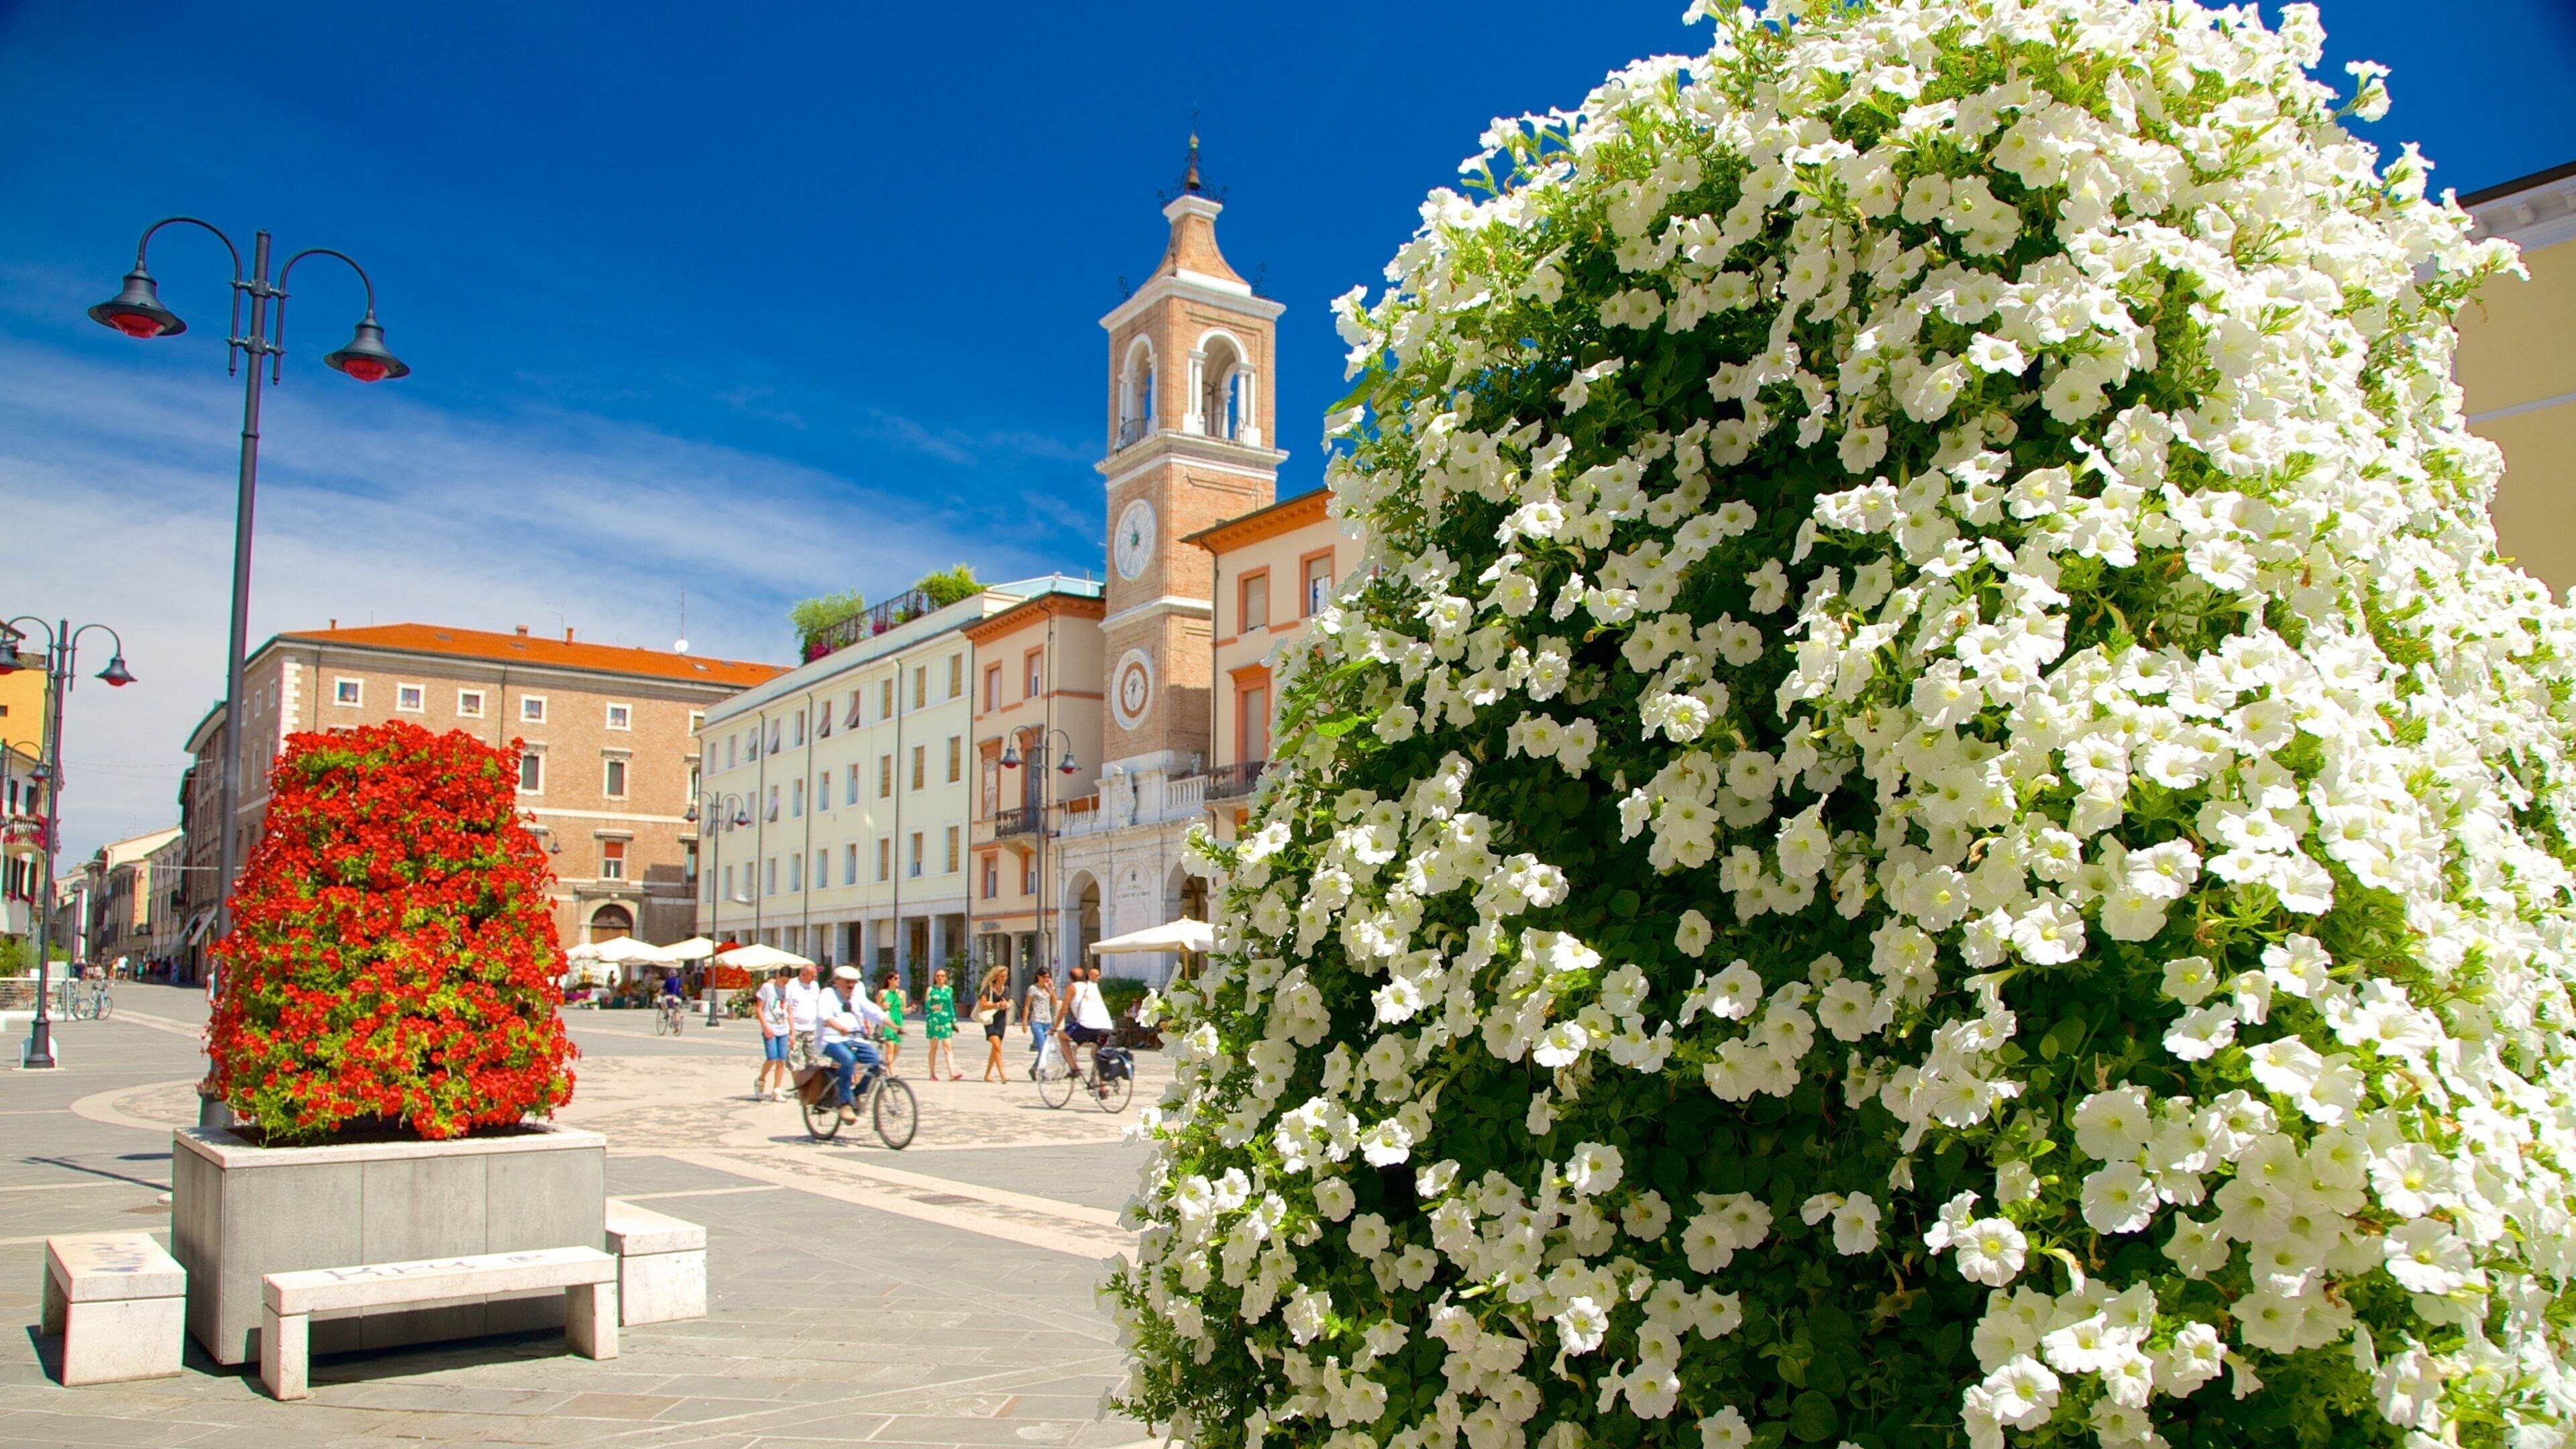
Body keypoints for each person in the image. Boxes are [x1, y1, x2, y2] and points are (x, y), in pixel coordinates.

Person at [818, 965, 891, 1122]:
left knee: (877, 1062)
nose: (851, 986)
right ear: (837, 982)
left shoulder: (856, 996)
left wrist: (895, 1026)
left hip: (854, 1039)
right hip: (831, 1039)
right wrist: (839, 1028)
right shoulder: (827, 994)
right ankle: (845, 1103)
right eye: (847, 982)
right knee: (848, 1060)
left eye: (854, 982)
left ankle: (857, 1093)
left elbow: (873, 1011)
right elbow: (824, 1016)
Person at [1061, 964, 1115, 1075]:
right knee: (1096, 1055)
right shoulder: (1094, 987)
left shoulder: (1072, 987)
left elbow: (1063, 1010)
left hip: (1088, 1026)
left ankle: (1074, 1068)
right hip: (1107, 1026)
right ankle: (1102, 1087)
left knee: (1061, 1036)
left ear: (1071, 979)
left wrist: (1055, 1027)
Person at [753, 967, 793, 1102]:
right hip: (770, 1026)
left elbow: (790, 1011)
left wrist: (792, 1032)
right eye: (782, 981)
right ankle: (761, 1081)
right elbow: (758, 1009)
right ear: (778, 976)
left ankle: (777, 1089)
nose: (784, 984)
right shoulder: (767, 988)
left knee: (782, 1060)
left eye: (786, 982)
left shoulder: (789, 991)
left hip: (783, 1028)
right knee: (772, 1057)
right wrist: (765, 1026)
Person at [782, 960, 826, 1081]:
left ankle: (808, 1085)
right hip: (796, 1028)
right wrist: (791, 1031)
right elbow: (788, 1008)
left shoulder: (815, 986)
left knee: (813, 1059)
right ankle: (797, 1086)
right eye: (812, 976)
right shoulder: (792, 985)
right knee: (793, 1060)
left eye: (815, 976)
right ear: (803, 974)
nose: (814, 978)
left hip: (812, 1028)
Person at [921, 968, 959, 1081]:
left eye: (942, 976)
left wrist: (954, 1020)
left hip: (946, 1020)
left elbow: (951, 1006)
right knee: (933, 1047)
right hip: (934, 1020)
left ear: (946, 977)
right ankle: (932, 1073)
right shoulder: (931, 990)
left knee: (948, 1046)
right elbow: (926, 1006)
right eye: (938, 976)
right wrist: (933, 1008)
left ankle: (952, 1072)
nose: (940, 978)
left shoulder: (949, 990)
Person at [976, 966, 1012, 1083]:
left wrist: (1007, 1005)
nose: (1004, 978)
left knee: (996, 1049)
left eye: (1006, 976)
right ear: (996, 976)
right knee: (997, 1046)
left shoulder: (1006, 989)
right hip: (990, 1020)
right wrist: (996, 1005)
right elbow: (983, 1004)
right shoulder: (989, 989)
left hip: (1001, 1020)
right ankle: (1003, 1075)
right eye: (1002, 976)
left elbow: (1008, 1001)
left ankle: (987, 1075)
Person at [1022, 969, 1057, 1081]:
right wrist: (1024, 1022)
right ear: (1038, 977)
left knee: (1046, 1048)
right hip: (1037, 1020)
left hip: (1048, 1021)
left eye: (1048, 977)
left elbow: (1054, 1002)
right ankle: (1043, 1072)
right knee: (1042, 1047)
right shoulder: (1033, 989)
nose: (1046, 979)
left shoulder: (1048, 989)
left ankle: (1034, 1068)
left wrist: (1052, 989)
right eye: (1044, 977)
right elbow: (1027, 1006)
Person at [876, 969, 908, 1073]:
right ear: (889, 980)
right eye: (895, 979)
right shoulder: (882, 993)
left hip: (898, 1021)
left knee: (896, 1049)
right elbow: (876, 1009)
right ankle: (892, 1072)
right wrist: (882, 1006)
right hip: (888, 1021)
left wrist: (911, 1010)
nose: (898, 980)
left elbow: (903, 1010)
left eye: (899, 979)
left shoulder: (902, 994)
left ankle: (886, 1067)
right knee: (890, 1047)